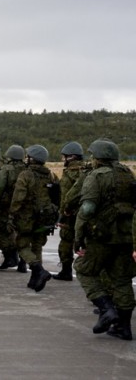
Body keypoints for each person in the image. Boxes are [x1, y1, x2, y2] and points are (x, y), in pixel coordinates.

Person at [74, 139, 135, 340]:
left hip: (102, 236)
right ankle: (124, 327)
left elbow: (87, 209)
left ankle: (106, 309)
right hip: (125, 235)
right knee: (122, 279)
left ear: (98, 158)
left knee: (84, 269)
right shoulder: (127, 174)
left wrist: (78, 236)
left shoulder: (96, 176)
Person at [10, 144, 59, 293]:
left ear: (32, 159)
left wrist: (12, 214)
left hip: (27, 218)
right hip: (45, 218)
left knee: (22, 245)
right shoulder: (51, 175)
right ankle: (34, 279)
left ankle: (39, 271)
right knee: (37, 246)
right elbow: (56, 196)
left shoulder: (26, 175)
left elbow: (18, 198)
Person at [53, 141, 87, 281]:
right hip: (85, 214)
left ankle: (66, 271)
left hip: (70, 215)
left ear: (71, 157)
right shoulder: (87, 171)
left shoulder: (69, 173)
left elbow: (66, 196)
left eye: (64, 157)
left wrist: (62, 214)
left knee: (66, 241)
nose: (62, 160)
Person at [0, 145, 28, 271]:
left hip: (6, 206)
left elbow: (0, 187)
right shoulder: (26, 168)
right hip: (23, 206)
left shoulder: (7, 169)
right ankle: (22, 263)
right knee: (21, 232)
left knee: (3, 231)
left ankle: (10, 258)